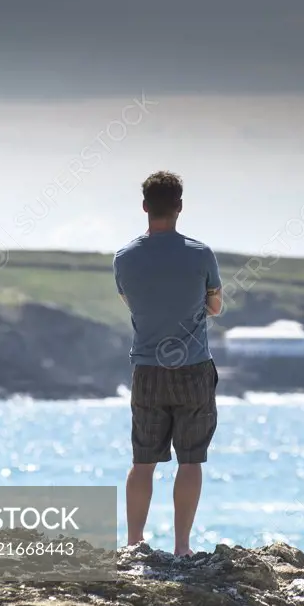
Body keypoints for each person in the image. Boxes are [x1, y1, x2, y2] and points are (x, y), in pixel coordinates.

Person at [112, 170, 223, 556]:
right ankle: (181, 547)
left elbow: (132, 303)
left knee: (143, 460)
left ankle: (133, 542)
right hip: (192, 368)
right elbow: (215, 306)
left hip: (147, 369)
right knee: (190, 461)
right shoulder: (200, 253)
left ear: (145, 207)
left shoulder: (124, 258)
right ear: (179, 207)